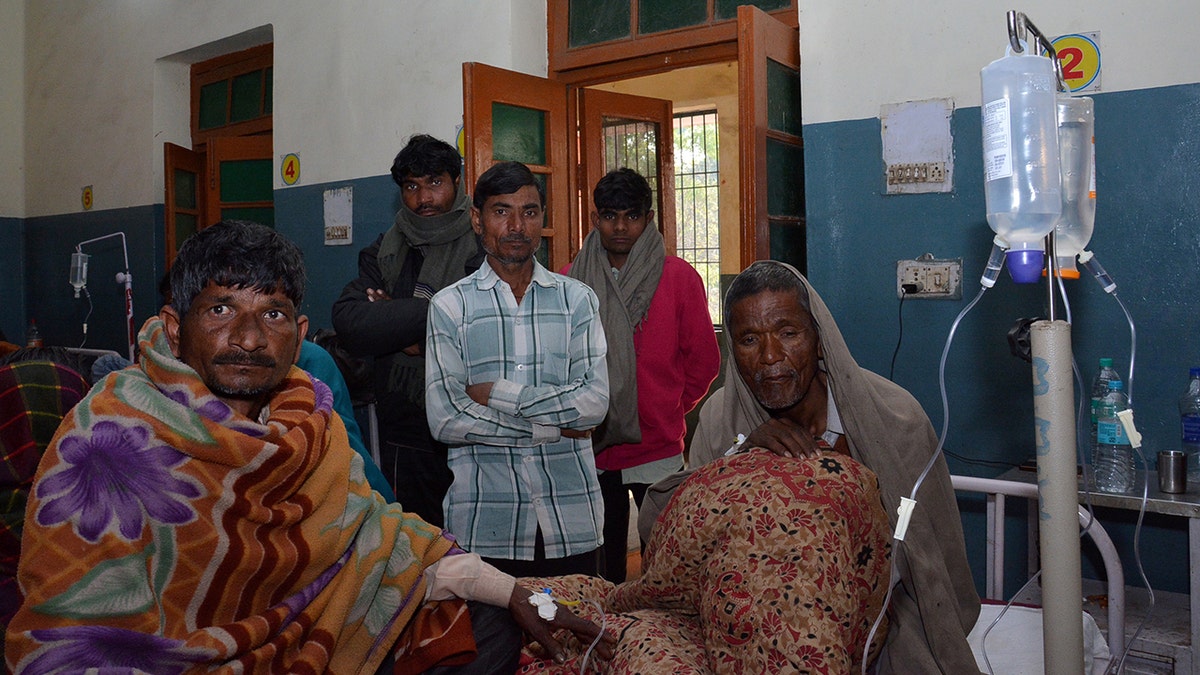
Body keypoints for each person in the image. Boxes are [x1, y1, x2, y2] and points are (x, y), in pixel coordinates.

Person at [6, 220, 612, 674]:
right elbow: (74, 635)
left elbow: (382, 535)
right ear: (173, 327)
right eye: (220, 309)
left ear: (298, 335)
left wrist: (512, 589)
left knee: (487, 627)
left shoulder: (305, 423)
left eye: (271, 315)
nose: (246, 338)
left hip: (308, 646)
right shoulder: (110, 438)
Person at [639, 260, 981, 673]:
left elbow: (932, 555)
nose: (769, 356)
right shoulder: (721, 422)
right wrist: (740, 460)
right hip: (751, 630)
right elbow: (680, 543)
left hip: (889, 617)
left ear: (819, 339)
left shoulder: (895, 420)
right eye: (749, 339)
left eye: (788, 333)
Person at [425, 162, 609, 579]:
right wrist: (551, 428)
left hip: (571, 520)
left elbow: (594, 404)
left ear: (542, 219)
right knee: (493, 645)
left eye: (529, 212)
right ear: (477, 218)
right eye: (501, 211)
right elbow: (446, 419)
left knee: (572, 642)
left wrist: (496, 395)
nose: (516, 226)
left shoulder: (577, 301)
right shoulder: (451, 308)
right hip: (485, 525)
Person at [564, 168, 719, 582]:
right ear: (594, 219)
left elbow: (704, 361)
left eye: (631, 215)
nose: (619, 226)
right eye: (609, 215)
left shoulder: (678, 277)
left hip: (658, 445)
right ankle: (607, 640)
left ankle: (661, 641)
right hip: (592, 445)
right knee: (603, 563)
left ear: (649, 219)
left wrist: (665, 408)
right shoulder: (569, 280)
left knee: (665, 561)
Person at [332, 133, 482, 527]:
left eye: (435, 183)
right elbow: (351, 323)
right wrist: (433, 318)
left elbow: (486, 333)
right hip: (405, 428)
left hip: (472, 426)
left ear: (456, 182)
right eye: (412, 186)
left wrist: (398, 323)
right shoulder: (384, 249)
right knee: (421, 549)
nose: (423, 198)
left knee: (476, 551)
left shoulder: (481, 248)